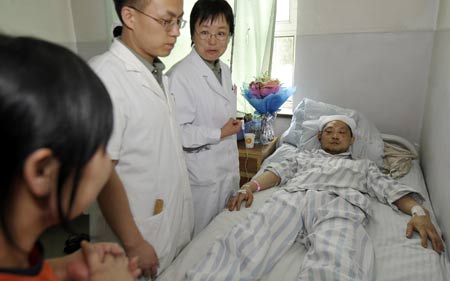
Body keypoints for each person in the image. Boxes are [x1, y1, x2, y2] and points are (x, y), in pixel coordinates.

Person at [187, 115, 444, 281]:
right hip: (295, 197)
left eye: (342, 132)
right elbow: (276, 172)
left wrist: (419, 213)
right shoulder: (302, 157)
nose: (334, 135)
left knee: (338, 258)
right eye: (329, 131)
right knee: (250, 239)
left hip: (340, 204)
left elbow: (391, 190)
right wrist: (249, 188)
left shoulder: (363, 167)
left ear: (352, 139)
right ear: (319, 137)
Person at [0, 34, 139, 281]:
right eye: (100, 146)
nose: (107, 162)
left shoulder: (16, 252)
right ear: (43, 171)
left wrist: (60, 268)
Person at [88, 0, 194, 277]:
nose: (176, 32)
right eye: (166, 21)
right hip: (134, 240)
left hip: (165, 224)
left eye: (178, 21)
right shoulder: (105, 77)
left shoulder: (156, 72)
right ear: (129, 17)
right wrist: (134, 241)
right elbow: (100, 175)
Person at [167, 0, 241, 236]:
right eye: (205, 32)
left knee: (222, 236)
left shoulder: (225, 70)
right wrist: (219, 133)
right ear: (192, 34)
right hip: (202, 179)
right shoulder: (179, 75)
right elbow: (178, 132)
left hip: (226, 171)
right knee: (197, 244)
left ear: (230, 36)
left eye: (221, 33)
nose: (212, 41)